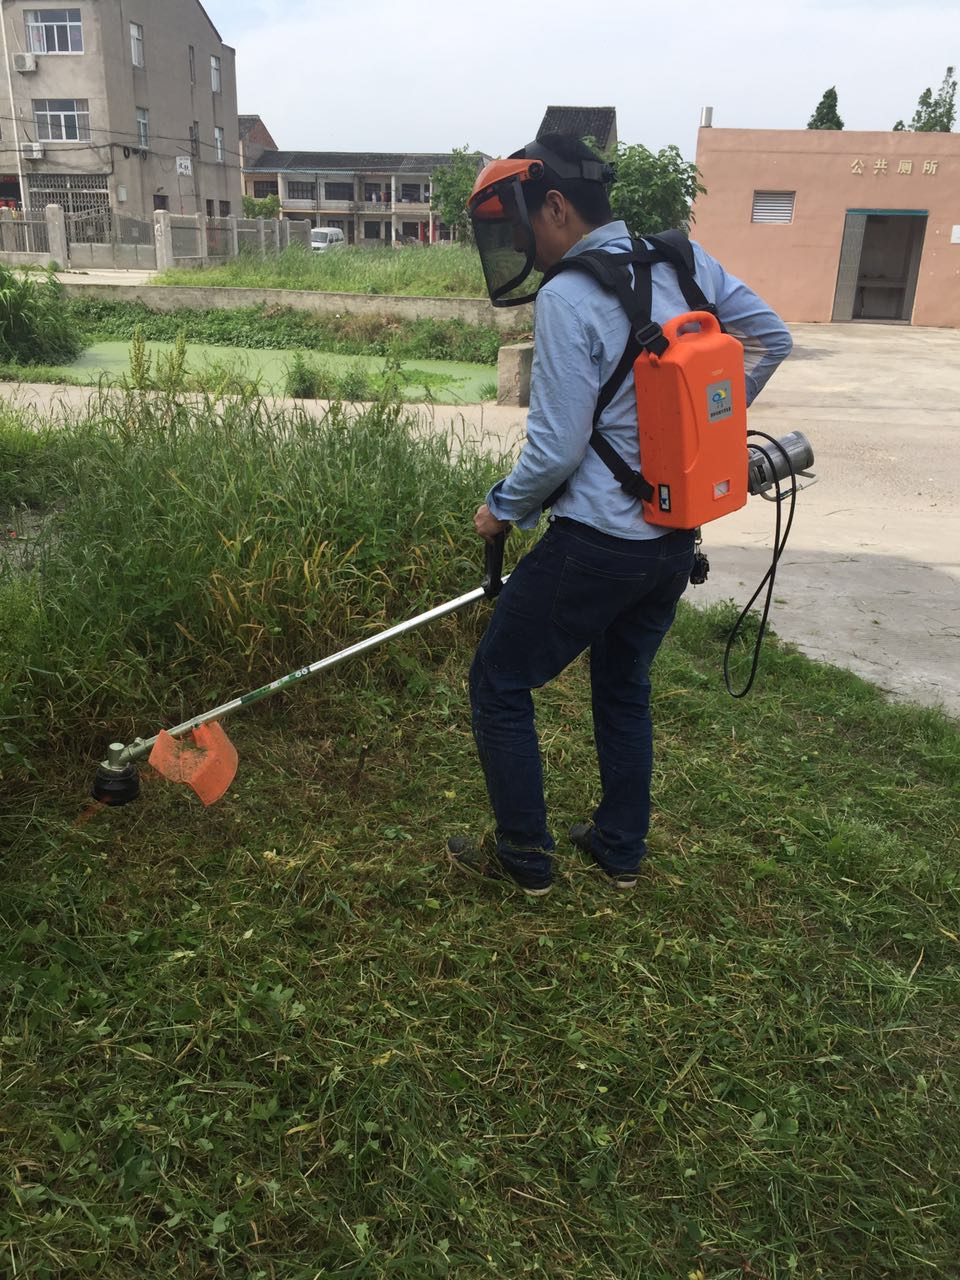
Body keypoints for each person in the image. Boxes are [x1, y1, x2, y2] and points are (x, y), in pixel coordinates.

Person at [447, 134, 793, 898]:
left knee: (500, 682)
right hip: (671, 543)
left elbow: (556, 448)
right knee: (624, 686)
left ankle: (525, 858)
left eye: (521, 224)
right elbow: (771, 339)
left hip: (598, 544)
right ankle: (619, 848)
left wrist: (500, 510)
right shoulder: (681, 261)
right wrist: (707, 436)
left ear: (558, 207)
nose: (519, 244)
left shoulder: (569, 296)